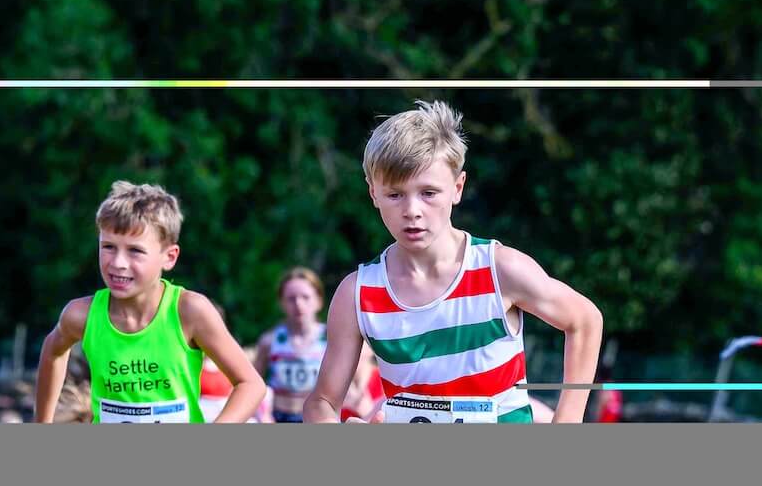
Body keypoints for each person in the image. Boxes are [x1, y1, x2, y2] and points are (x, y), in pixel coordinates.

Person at [303, 101, 602, 424]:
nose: (412, 211)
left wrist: (567, 421)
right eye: (395, 195)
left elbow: (585, 321)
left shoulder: (500, 269)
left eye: (429, 193)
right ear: (373, 193)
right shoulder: (357, 294)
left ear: (457, 188)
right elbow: (322, 401)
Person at [34, 182, 265, 424]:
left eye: (135, 251)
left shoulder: (189, 311)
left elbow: (251, 384)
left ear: (169, 257)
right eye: (109, 247)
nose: (118, 263)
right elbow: (53, 353)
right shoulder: (80, 315)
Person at [252, 267, 327, 422]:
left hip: (317, 418)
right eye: (291, 298)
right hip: (277, 417)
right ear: (282, 303)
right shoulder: (269, 341)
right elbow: (252, 384)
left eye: (305, 297)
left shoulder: (332, 339)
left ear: (319, 301)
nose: (298, 304)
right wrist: (262, 414)